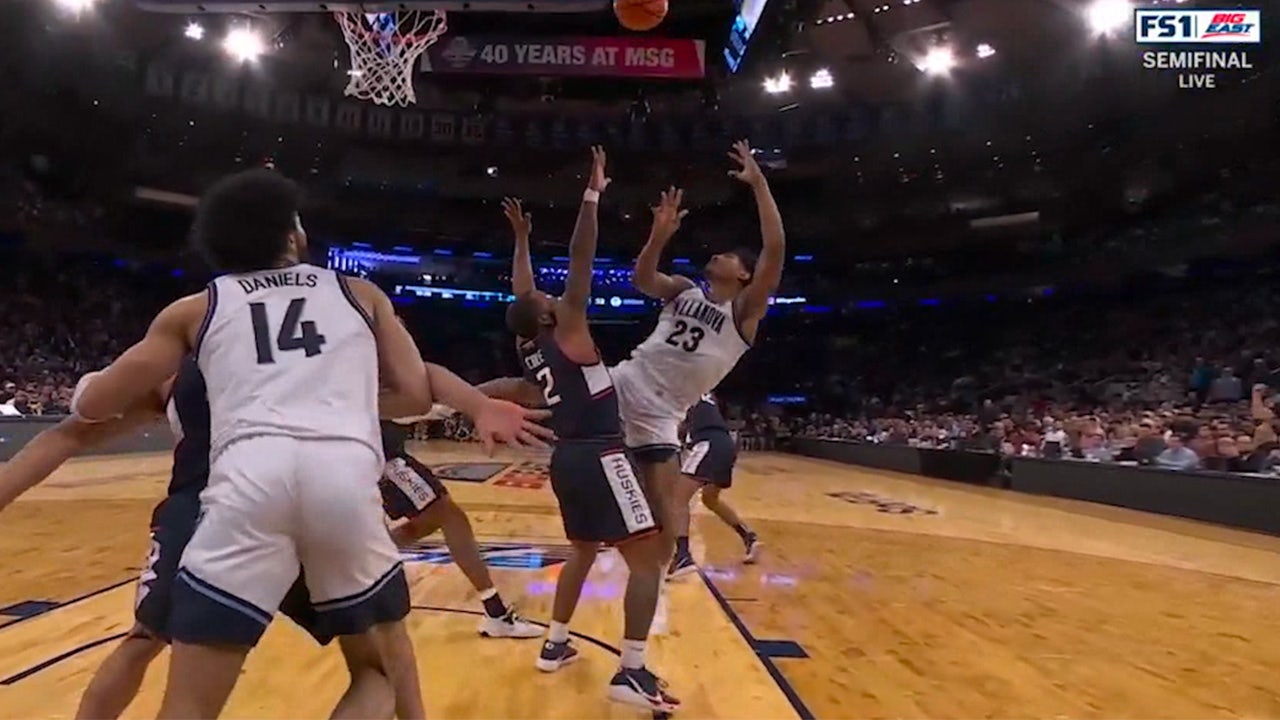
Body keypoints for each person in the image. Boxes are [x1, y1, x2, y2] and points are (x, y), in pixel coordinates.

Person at [71, 167, 435, 719]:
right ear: (293, 236)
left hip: (247, 480)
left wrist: (82, 395)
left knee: (189, 703)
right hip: (342, 479)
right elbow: (415, 396)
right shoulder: (361, 293)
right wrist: (336, 400)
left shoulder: (195, 308)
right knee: (380, 674)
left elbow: (98, 404)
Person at [0, 356, 549, 719]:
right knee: (381, 665)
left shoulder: (178, 357)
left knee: (149, 644)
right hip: (305, 506)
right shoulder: (317, 345)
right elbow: (420, 379)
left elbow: (70, 431)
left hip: (208, 512)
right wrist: (476, 403)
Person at [479, 147, 679, 713]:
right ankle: (632, 672)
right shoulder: (566, 329)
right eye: (547, 299)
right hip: (599, 454)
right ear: (550, 315)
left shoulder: (529, 345)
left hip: (567, 460)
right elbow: (580, 257)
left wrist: (520, 239)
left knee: (583, 553)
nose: (547, 294)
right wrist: (592, 194)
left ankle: (555, 643)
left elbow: (522, 291)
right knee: (649, 559)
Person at [612, 140, 784, 555]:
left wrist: (759, 183)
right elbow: (642, 280)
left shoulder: (743, 315)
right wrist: (656, 237)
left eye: (727, 256)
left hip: (664, 411)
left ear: (744, 275)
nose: (716, 255)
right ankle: (452, 402)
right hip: (628, 379)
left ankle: (670, 564)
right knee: (539, 390)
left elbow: (775, 249)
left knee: (665, 508)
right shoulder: (685, 290)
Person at [667, 392, 760, 578]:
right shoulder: (705, 393)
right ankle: (749, 537)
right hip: (725, 444)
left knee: (677, 499)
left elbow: (678, 427)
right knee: (711, 499)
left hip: (707, 444)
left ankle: (683, 556)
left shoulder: (681, 390)